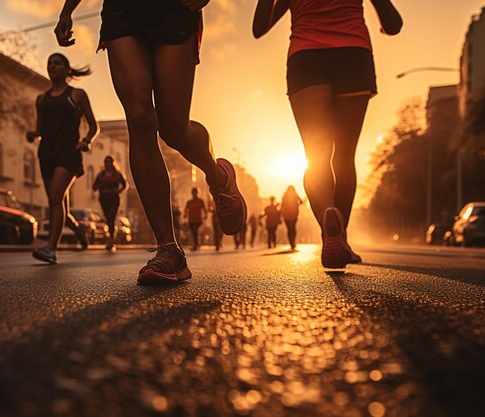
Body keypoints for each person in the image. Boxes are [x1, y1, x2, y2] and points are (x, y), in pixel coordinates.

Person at [55, 0, 247, 284]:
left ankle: (218, 176)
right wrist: (66, 10)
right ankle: (169, 250)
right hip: (123, 10)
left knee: (173, 130)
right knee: (140, 118)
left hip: (174, 7)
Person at [252, 0, 402, 267]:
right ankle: (341, 237)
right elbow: (394, 24)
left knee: (316, 156)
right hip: (354, 56)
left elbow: (259, 28)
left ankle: (327, 221)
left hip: (306, 59)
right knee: (344, 157)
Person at [26, 53, 99, 264]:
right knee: (56, 201)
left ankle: (51, 249)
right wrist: (33, 134)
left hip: (69, 151)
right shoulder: (42, 99)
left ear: (68, 69)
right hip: (46, 153)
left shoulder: (76, 94)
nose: (52, 66)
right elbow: (40, 129)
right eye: (49, 63)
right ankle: (78, 229)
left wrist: (86, 140)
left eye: (57, 62)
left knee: (56, 197)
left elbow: (94, 126)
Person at [93, 155, 128, 252]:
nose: (108, 164)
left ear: (113, 163)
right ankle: (111, 238)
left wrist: (118, 190)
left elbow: (125, 185)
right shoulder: (101, 174)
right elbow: (94, 186)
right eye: (106, 162)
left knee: (111, 218)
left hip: (114, 198)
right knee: (108, 219)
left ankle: (111, 240)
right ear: (104, 163)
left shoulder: (117, 174)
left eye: (110, 162)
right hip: (104, 198)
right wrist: (98, 186)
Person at [281, 185, 304, 250]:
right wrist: (297, 204)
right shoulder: (295, 195)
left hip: (287, 215)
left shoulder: (285, 196)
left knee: (290, 229)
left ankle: (291, 242)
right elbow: (302, 202)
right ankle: (292, 241)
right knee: (293, 228)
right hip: (294, 214)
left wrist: (281, 213)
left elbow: (282, 205)